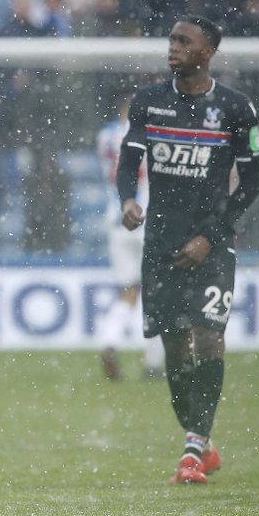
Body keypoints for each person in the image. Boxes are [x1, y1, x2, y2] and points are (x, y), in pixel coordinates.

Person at [117, 16, 259, 485]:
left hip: (214, 242)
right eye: (172, 40)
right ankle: (200, 442)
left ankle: (192, 451)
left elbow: (251, 183)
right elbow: (129, 160)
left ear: (208, 52)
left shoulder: (237, 108)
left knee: (207, 336)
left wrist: (210, 236)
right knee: (174, 346)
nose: (173, 47)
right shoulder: (149, 102)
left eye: (185, 41)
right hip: (161, 241)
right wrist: (127, 199)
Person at [94, 94, 164, 380]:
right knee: (157, 292)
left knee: (128, 292)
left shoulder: (105, 135)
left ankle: (108, 339)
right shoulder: (151, 135)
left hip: (117, 216)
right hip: (145, 216)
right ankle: (153, 363)